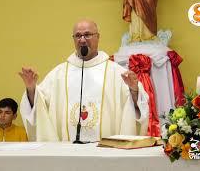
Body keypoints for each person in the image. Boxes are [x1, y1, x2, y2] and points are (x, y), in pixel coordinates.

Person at [19, 19, 149, 142]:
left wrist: (134, 90)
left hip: (106, 154)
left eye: (87, 35)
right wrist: (31, 89)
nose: (82, 40)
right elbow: (40, 105)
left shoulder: (116, 73)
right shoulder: (59, 74)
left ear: (98, 37)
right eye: (78, 36)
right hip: (68, 152)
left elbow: (136, 111)